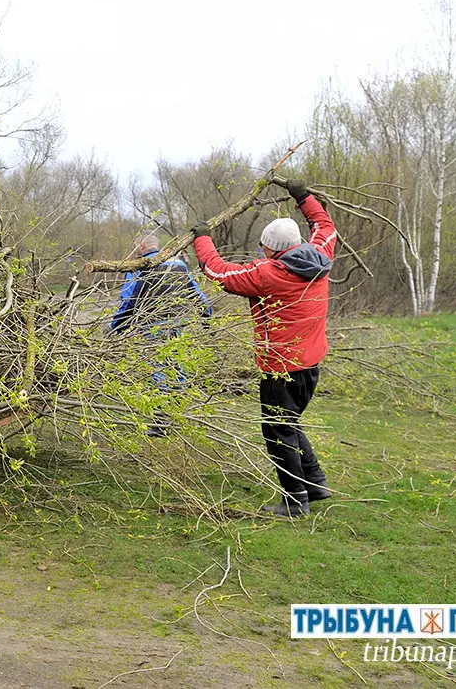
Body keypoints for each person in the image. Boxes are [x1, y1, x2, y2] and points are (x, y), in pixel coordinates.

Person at [189, 179, 336, 517]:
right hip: (310, 364)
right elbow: (325, 226)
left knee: (277, 430)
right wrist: (303, 196)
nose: (261, 251)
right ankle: (314, 483)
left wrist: (202, 238)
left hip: (280, 367)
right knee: (290, 422)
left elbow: (218, 272)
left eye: (262, 246)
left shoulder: (270, 273)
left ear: (271, 248)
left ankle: (295, 500)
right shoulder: (320, 256)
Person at [111, 235, 212, 436]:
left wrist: (116, 327)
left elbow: (129, 300)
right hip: (177, 324)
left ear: (141, 246)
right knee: (177, 366)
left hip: (152, 327)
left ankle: (161, 420)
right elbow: (196, 293)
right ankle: (178, 413)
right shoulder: (179, 264)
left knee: (157, 370)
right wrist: (205, 315)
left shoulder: (141, 266)